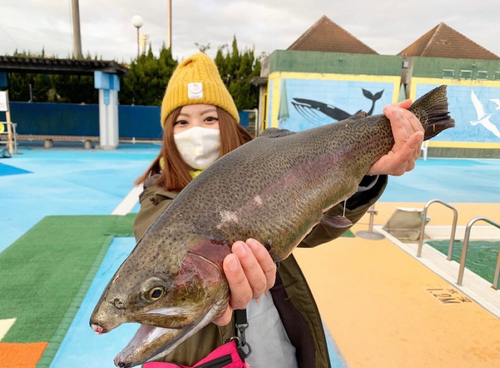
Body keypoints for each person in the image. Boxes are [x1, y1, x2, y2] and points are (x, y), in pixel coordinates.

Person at [133, 52, 424, 368]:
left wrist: (365, 173)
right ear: (168, 133)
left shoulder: (266, 168)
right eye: (181, 122)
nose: (197, 132)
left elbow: (313, 227)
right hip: (209, 356)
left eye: (209, 118)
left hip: (273, 334)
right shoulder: (157, 199)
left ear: (228, 123)